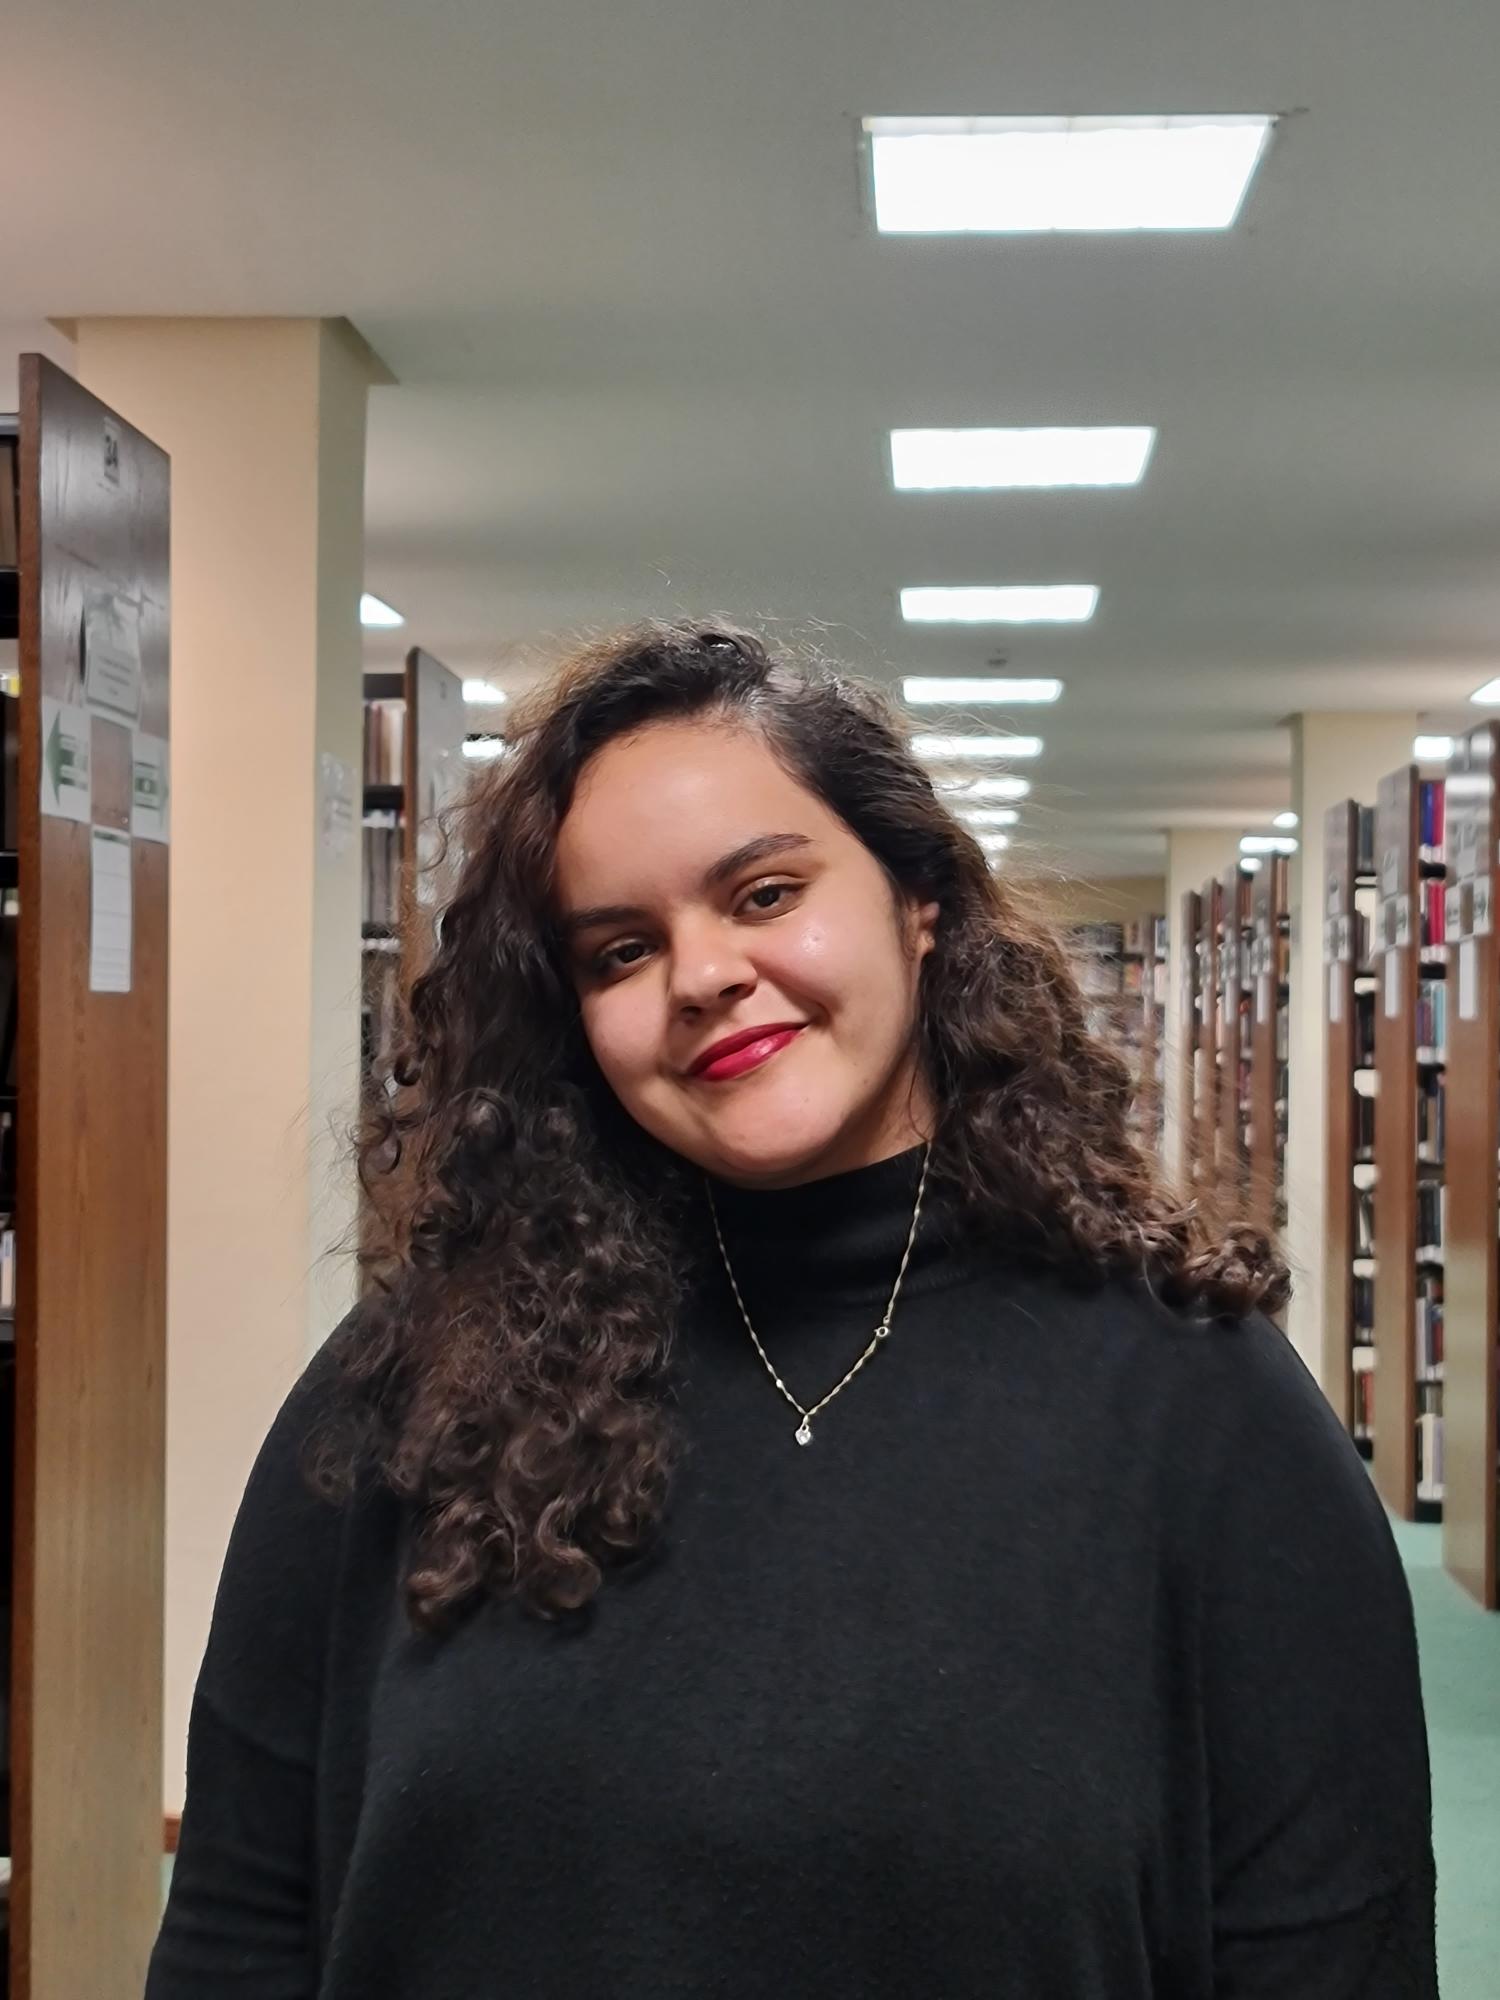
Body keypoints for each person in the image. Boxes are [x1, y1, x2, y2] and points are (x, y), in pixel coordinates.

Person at [147, 623, 1437, 1998]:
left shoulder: (1201, 1408)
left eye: (763, 894)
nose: (701, 973)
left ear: (918, 899)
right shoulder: (417, 1386)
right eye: (621, 950)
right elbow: (241, 1921)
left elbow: (1332, 1952)